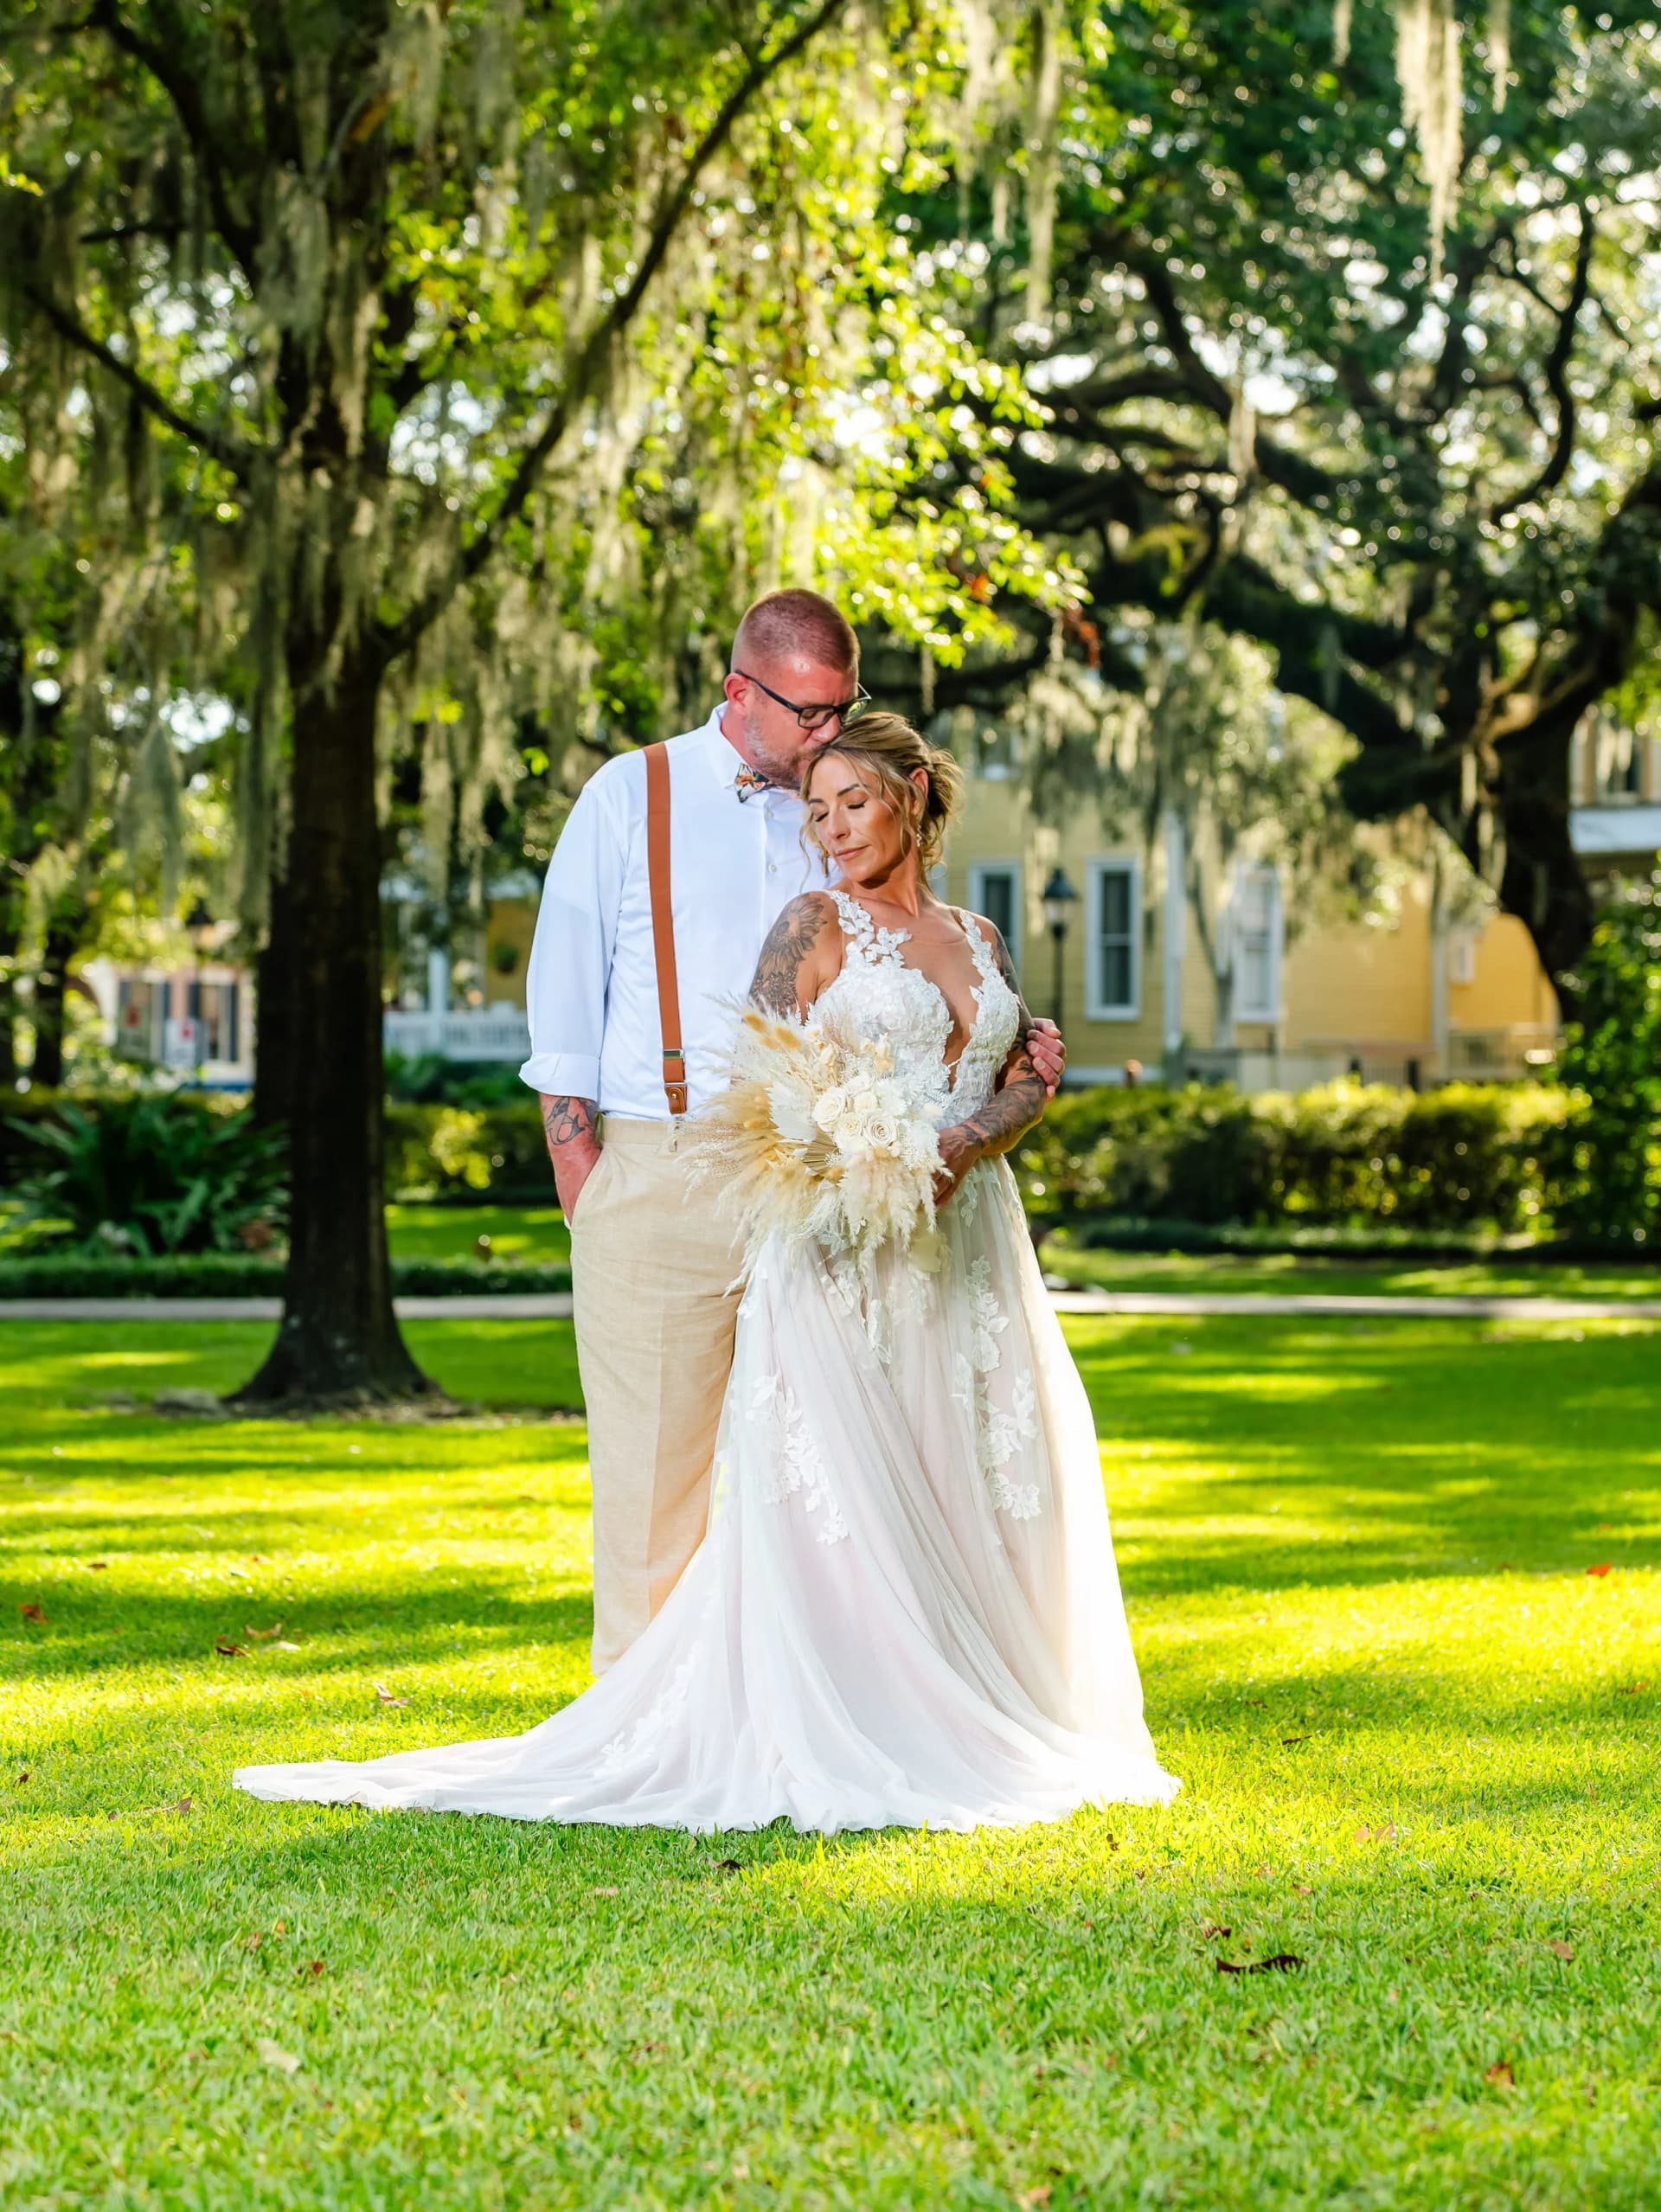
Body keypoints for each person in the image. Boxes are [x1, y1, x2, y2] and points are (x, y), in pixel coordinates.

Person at [234, 715, 1177, 1832]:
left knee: (974, 1474)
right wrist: (864, 1153)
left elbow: (1019, 1084)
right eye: (816, 809)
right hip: (838, 1257)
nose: (830, 830)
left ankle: (992, 1703)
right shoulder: (810, 924)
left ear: (915, 793)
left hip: (968, 1254)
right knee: (853, 1503)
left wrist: (967, 1141)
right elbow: (760, 1095)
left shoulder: (981, 938)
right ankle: (866, 1717)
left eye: (853, 804)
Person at [496, 588, 1061, 1675]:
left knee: (833, 1485)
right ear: (738, 691)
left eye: (843, 707)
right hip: (665, 1172)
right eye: (807, 712)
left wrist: (997, 1062)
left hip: (843, 1196)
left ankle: (817, 1711)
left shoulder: (845, 806)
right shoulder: (630, 795)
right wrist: (589, 1181)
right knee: (657, 1483)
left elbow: (903, 985)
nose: (826, 736)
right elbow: (561, 1011)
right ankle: (648, 1733)